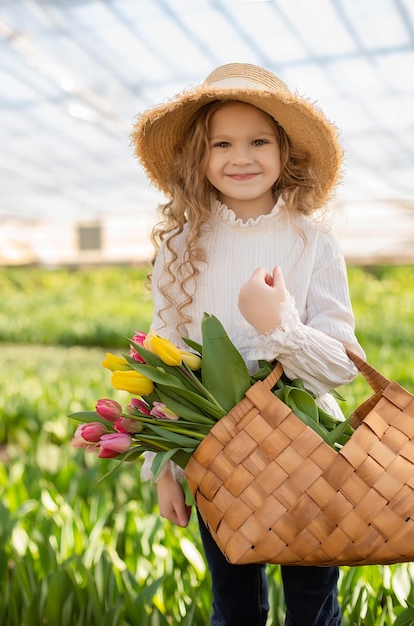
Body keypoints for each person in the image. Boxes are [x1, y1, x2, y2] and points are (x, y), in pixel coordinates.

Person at [131, 63, 363, 626]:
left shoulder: (312, 239)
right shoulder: (182, 246)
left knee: (313, 605)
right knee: (233, 605)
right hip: (216, 451)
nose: (242, 157)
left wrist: (279, 327)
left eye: (259, 140)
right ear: (198, 156)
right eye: (222, 143)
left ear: (286, 151)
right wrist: (165, 466)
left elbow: (343, 366)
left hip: (308, 446)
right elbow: (166, 357)